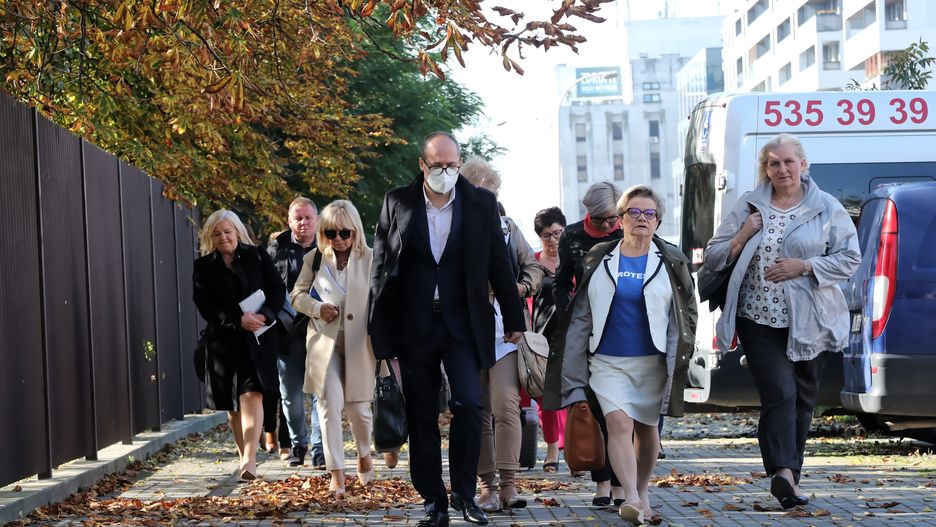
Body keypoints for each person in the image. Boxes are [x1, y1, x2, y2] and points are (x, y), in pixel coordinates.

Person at [369, 132, 525, 527]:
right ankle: (434, 502)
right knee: (422, 413)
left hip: (464, 323)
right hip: (414, 324)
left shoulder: (480, 203)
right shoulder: (397, 202)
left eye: (451, 165)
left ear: (459, 164)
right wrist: (380, 334)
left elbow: (499, 263)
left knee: (470, 404)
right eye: (437, 165)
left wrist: (514, 319)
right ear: (422, 165)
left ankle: (465, 495)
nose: (444, 171)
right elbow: (381, 269)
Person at [699, 133, 859, 509]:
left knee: (803, 398)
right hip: (756, 318)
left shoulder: (826, 207)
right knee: (780, 393)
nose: (783, 169)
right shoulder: (749, 205)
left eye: (789, 162)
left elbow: (850, 258)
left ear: (803, 164)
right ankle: (782, 471)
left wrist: (805, 265)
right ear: (766, 169)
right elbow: (714, 255)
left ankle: (789, 479)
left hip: (811, 320)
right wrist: (743, 234)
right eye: (774, 163)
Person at [544, 185, 697, 525]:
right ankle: (630, 496)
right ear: (621, 218)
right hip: (607, 359)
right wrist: (573, 351)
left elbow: (686, 311)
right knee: (618, 423)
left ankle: (642, 491)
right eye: (634, 212)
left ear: (658, 221)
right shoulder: (600, 257)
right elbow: (582, 309)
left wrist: (682, 352)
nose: (642, 218)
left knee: (647, 430)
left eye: (649, 213)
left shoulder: (672, 260)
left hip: (652, 361)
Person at [460, 156, 543, 512]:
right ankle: (487, 487)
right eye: (485, 193)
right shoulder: (453, 228)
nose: (490, 201)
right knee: (477, 411)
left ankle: (509, 484)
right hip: (466, 331)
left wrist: (519, 288)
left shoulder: (507, 227)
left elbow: (533, 266)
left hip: (505, 332)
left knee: (506, 405)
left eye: (494, 195)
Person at [290, 200, 376, 496]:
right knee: (328, 405)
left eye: (344, 233)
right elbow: (297, 295)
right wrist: (317, 308)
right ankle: (336, 473)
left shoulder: (371, 258)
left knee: (359, 410)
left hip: (360, 344)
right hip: (325, 343)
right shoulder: (315, 258)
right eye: (330, 233)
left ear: (355, 231)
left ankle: (364, 452)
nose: (338, 239)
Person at [193, 210, 285, 481]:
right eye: (217, 234)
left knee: (252, 394)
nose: (223, 237)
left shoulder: (257, 255)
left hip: (259, 337)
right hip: (224, 342)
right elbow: (205, 305)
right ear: (210, 237)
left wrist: (264, 315)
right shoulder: (203, 266)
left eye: (227, 231)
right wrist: (237, 319)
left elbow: (277, 290)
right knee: (233, 403)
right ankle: (244, 454)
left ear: (237, 231)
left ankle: (249, 459)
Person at [551, 181, 625, 503]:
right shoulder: (572, 235)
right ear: (588, 213)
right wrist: (568, 311)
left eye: (612, 219)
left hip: (622, 325)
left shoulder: (626, 230)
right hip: (585, 326)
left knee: (618, 407)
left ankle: (621, 483)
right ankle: (602, 482)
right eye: (600, 220)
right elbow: (560, 282)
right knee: (592, 406)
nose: (608, 226)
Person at [267, 197, 325, 468]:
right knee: (290, 395)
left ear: (317, 220)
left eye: (308, 217)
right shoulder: (276, 249)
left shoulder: (328, 246)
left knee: (321, 393)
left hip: (321, 331)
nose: (303, 223)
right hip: (287, 333)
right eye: (298, 218)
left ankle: (320, 449)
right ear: (289, 221)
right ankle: (298, 444)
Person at [522, 206, 568, 473]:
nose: (553, 239)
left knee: (573, 396)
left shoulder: (574, 260)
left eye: (558, 232)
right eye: (547, 235)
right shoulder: (534, 264)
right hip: (540, 340)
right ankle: (552, 448)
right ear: (539, 237)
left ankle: (574, 448)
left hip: (571, 337)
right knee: (546, 399)